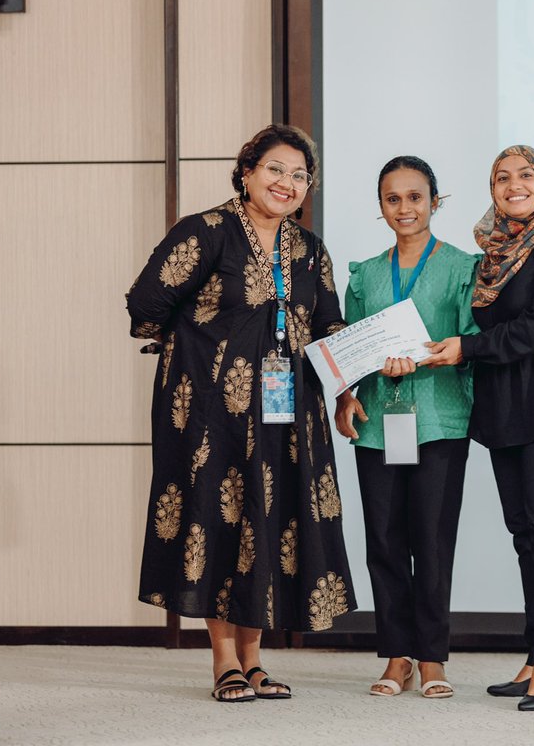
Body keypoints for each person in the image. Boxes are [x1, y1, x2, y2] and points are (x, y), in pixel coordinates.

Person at [126, 124, 356, 703]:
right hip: (212, 415)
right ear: (248, 170)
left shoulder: (308, 249)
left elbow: (328, 324)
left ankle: (255, 660)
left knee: (270, 522)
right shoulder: (206, 231)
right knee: (217, 517)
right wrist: (201, 352)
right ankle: (224, 660)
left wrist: (351, 380)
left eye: (299, 175)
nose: (287, 182)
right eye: (275, 169)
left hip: (289, 411)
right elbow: (147, 302)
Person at [422, 145, 534, 712]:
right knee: (528, 536)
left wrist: (466, 349)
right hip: (508, 416)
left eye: (526, 175)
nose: (513, 184)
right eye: (501, 177)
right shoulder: (496, 255)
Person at [334, 156, 479, 699]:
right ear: (381, 207)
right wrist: (346, 395)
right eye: (393, 199)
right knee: (386, 541)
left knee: (433, 543)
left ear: (434, 202)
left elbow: (471, 341)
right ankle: (397, 656)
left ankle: (433, 657)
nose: (405, 208)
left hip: (440, 420)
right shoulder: (365, 274)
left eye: (415, 197)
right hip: (377, 424)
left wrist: (428, 357)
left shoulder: (464, 266)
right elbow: (347, 349)